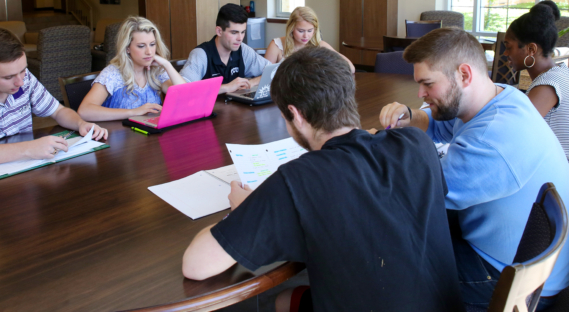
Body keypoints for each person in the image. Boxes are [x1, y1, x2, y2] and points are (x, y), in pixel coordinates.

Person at [182, 47, 464, 312]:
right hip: (440, 302)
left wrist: (245, 210)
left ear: (295, 114)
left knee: (267, 302)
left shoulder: (298, 179)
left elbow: (196, 265)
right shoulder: (417, 143)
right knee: (291, 297)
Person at [379, 27, 569, 309]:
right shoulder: (500, 96)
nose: (421, 94)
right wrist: (409, 117)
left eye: (428, 84)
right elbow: (439, 124)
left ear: (464, 74)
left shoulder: (493, 136)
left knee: (384, 263)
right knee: (399, 239)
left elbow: (416, 192)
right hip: (520, 260)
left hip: (514, 283)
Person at [504, 0, 569, 227]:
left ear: (531, 49)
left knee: (494, 208)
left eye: (509, 46)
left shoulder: (548, 85)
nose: (505, 53)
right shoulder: (558, 73)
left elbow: (511, 135)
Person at [0, 27, 107, 169]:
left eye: (23, 70)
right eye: (8, 77)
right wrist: (28, 149)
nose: (20, 82)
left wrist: (80, 124)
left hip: (24, 172)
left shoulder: (25, 79)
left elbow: (58, 111)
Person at [78, 16, 185, 121]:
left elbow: (186, 96)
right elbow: (84, 111)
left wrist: (167, 65)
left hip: (149, 134)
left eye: (152, 44)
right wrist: (134, 112)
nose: (149, 52)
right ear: (127, 48)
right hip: (118, 136)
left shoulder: (156, 71)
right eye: (141, 46)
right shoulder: (112, 73)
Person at [180, 4, 269, 94]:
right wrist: (226, 88)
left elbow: (274, 72)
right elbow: (183, 90)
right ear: (219, 31)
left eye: (243, 32)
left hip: (238, 107)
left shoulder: (243, 50)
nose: (240, 38)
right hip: (209, 108)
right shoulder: (200, 54)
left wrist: (251, 83)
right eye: (234, 33)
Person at [264, 6, 355, 73]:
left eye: (310, 31)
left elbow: (351, 68)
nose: (306, 36)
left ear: (315, 30)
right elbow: (264, 75)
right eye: (301, 31)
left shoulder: (320, 45)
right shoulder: (276, 45)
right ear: (291, 29)